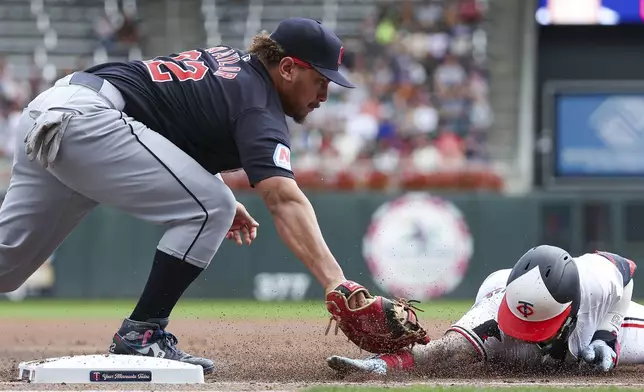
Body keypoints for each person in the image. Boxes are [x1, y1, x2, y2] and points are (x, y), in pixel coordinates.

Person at [0, 17, 367, 374]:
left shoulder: (233, 66)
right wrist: (336, 280)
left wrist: (211, 189)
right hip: (88, 123)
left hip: (50, 110)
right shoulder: (258, 104)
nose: (324, 95)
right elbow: (283, 199)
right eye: (319, 80)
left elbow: (168, 119)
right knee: (210, 209)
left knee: (7, 267)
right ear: (287, 68)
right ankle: (142, 333)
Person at [327, 245, 642, 375]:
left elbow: (626, 271)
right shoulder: (494, 317)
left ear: (570, 310)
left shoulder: (597, 280)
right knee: (482, 354)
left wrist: (607, 334)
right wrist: (380, 365)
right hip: (506, 338)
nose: (527, 332)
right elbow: (440, 351)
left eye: (536, 326)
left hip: (595, 323)